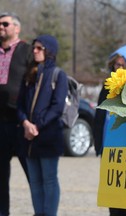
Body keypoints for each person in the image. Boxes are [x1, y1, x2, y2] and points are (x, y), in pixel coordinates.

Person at [17, 34, 68, 216]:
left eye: (40, 48)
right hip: (28, 139)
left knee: (49, 179)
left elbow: (57, 107)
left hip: (48, 136)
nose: (35, 51)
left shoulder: (58, 75)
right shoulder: (29, 74)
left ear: (50, 51)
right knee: (35, 180)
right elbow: (20, 104)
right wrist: (25, 123)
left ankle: (49, 213)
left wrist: (36, 127)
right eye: (34, 48)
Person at [93, 44, 126, 216]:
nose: (118, 68)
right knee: (113, 194)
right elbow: (99, 116)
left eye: (123, 65)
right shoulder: (107, 86)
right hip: (110, 146)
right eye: (116, 65)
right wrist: (99, 145)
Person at [0, 12, 33, 216]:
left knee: (33, 173)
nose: (1, 27)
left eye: (5, 23)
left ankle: (42, 211)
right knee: (1, 176)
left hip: (20, 122)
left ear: (17, 28)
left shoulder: (27, 51)